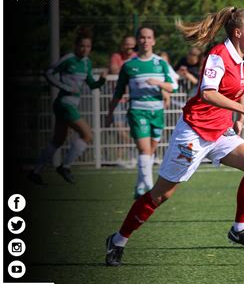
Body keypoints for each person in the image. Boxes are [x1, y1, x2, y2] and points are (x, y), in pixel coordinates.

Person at [105, 7, 244, 266]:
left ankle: (238, 229)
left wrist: (237, 117)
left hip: (220, 131)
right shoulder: (218, 55)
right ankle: (118, 240)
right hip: (194, 131)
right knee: (161, 194)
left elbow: (239, 87)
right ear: (238, 32)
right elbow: (207, 94)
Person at [105, 27, 178, 199]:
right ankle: (151, 190)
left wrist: (158, 83)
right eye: (142, 37)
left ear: (154, 41)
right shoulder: (129, 65)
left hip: (158, 112)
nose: (145, 41)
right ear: (138, 41)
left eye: (149, 37)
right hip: (138, 112)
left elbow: (173, 87)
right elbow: (118, 92)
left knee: (150, 152)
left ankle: (139, 188)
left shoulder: (160, 63)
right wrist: (109, 113)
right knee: (145, 151)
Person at [28, 31, 107, 185]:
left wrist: (102, 81)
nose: (84, 49)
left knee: (57, 140)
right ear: (76, 46)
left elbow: (91, 84)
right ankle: (65, 166)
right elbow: (48, 72)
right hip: (64, 104)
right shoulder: (68, 59)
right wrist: (64, 87)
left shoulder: (86, 62)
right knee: (87, 135)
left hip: (69, 105)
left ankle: (35, 172)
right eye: (82, 46)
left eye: (88, 46)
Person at [108, 35, 137, 168]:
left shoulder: (137, 56)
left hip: (133, 100)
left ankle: (123, 158)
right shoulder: (116, 56)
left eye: (131, 44)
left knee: (132, 129)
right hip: (119, 100)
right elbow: (114, 70)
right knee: (120, 130)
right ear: (122, 45)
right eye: (126, 44)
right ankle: (132, 150)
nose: (129, 47)